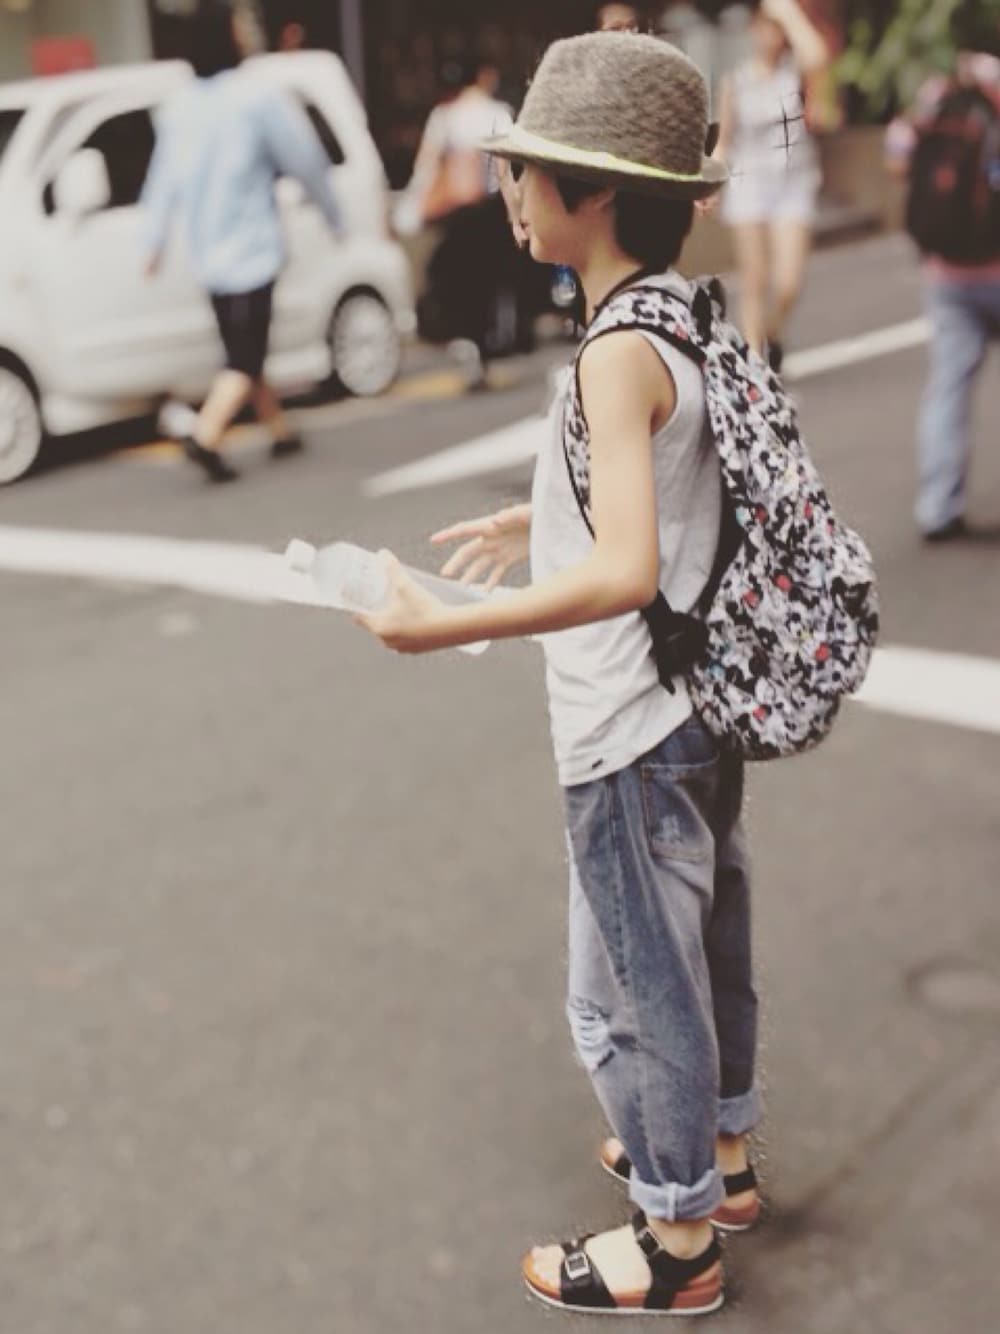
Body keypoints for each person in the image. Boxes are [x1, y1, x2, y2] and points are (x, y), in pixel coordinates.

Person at [358, 33, 761, 1316]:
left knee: (628, 996)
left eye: (524, 169)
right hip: (695, 709)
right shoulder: (676, 313)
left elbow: (628, 566)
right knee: (702, 947)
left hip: (626, 726)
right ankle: (719, 1158)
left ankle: (676, 1234)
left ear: (594, 193)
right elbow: (673, 498)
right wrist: (535, 517)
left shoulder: (609, 349)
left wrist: (452, 622)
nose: (509, 191)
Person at [140, 0, 343, 482]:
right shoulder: (256, 96)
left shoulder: (180, 106)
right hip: (253, 249)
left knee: (243, 347)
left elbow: (161, 181)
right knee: (246, 355)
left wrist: (152, 242)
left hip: (208, 255)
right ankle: (206, 434)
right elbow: (304, 157)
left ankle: (278, 429)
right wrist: (333, 214)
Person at [886, 49, 1000, 541]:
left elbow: (896, 158)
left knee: (948, 388)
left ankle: (937, 506)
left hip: (948, 272)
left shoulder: (935, 98)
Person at [715, 0, 831, 367]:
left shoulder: (793, 73)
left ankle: (773, 332)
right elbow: (725, 141)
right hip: (749, 183)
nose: (769, 37)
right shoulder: (737, 80)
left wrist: (787, 12)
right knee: (754, 279)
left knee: (788, 283)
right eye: (763, 28)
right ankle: (754, 362)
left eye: (775, 30)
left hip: (793, 182)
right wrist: (710, 180)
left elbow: (819, 56)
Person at [404, 60, 531, 386]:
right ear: (484, 78)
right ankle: (494, 342)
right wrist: (516, 211)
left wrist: (413, 207)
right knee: (493, 279)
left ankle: (471, 346)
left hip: (457, 214)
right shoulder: (499, 113)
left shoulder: (445, 116)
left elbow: (427, 164)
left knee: (461, 280)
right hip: (491, 211)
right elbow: (508, 169)